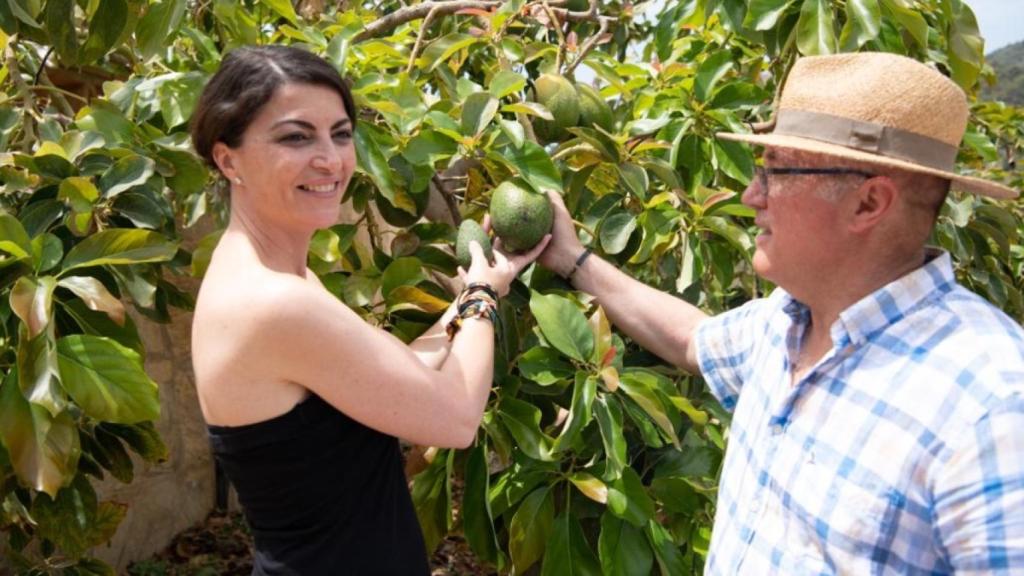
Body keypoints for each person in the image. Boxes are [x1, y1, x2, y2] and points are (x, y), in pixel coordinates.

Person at [539, 52, 1024, 574]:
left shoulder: (992, 406)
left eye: (774, 173)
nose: (750, 195)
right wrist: (573, 260)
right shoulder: (786, 322)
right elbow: (691, 340)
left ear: (868, 203)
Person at [189, 45, 548, 575]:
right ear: (228, 159)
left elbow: (391, 378)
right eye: (296, 136)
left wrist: (471, 294)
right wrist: (481, 298)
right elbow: (454, 418)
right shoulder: (274, 302)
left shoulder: (277, 275)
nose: (331, 159)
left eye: (340, 133)